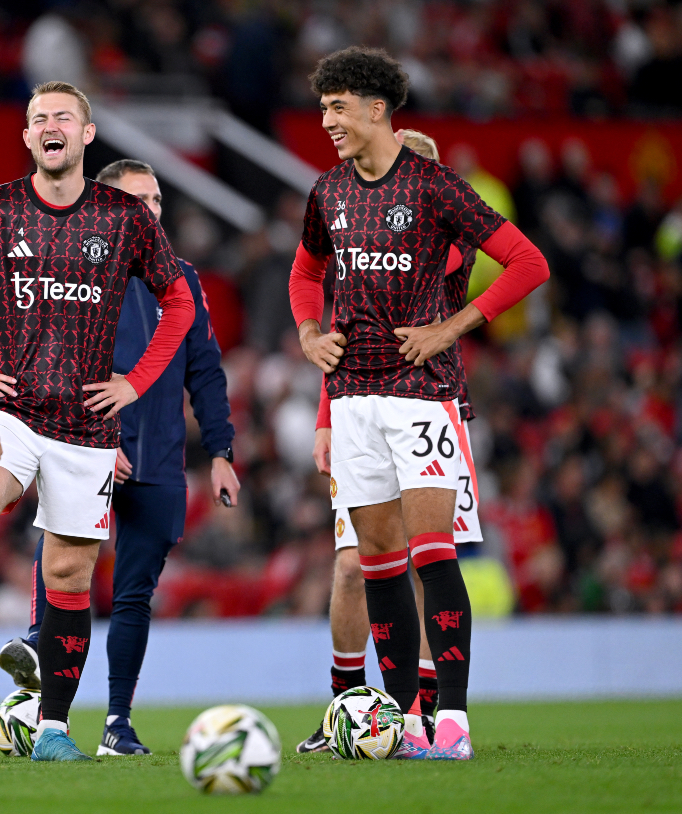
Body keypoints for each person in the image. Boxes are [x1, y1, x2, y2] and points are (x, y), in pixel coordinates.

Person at [0, 82, 195, 762]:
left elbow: (180, 303)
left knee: (70, 577)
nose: (50, 126)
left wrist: (135, 382)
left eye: (62, 117)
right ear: (27, 138)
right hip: (10, 409)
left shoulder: (125, 218)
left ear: (87, 134)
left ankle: (53, 730)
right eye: (38, 118)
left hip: (86, 426)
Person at [289, 48, 549, 760]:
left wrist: (451, 328)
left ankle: (454, 721)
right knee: (375, 561)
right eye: (323, 107)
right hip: (351, 399)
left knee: (433, 555)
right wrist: (310, 333)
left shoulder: (434, 186)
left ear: (379, 109)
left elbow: (529, 262)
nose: (327, 120)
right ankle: (403, 722)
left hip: (421, 397)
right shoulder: (328, 192)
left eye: (338, 107)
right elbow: (307, 269)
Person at [0, 159, 239, 756]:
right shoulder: (76, 270)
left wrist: (222, 450)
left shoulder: (182, 280)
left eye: (156, 199)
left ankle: (117, 723)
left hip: (158, 462)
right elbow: (51, 360)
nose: (151, 210)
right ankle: (38, 665)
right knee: (63, 558)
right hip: (89, 447)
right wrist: (100, 438)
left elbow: (204, 370)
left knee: (134, 598)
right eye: (138, 199)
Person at [296, 129, 485, 754]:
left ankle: (436, 711)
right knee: (357, 564)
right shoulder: (350, 217)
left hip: (431, 405)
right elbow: (349, 325)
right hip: (358, 405)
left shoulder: (448, 243)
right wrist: (326, 415)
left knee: (433, 560)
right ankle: (357, 707)